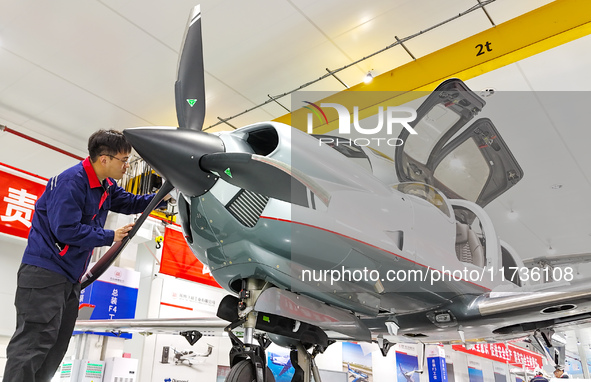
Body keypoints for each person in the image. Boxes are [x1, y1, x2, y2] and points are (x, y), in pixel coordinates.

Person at [3, 129, 168, 382]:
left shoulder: (105, 185)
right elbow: (65, 230)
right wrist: (110, 236)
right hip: (44, 274)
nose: (127, 166)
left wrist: (164, 194)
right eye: (123, 160)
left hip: (69, 279)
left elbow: (131, 203)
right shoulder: (72, 182)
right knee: (32, 345)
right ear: (104, 159)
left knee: (55, 346)